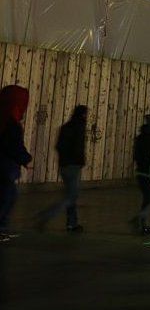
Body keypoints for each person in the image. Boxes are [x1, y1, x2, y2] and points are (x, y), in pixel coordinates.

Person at [37, 105, 88, 232]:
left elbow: (58, 146)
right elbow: (78, 147)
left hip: (64, 166)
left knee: (71, 195)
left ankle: (72, 223)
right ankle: (47, 215)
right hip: (73, 166)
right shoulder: (79, 127)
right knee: (71, 197)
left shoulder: (65, 127)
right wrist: (80, 161)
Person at [0, 85, 32, 242]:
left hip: (6, 167)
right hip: (5, 167)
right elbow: (13, 145)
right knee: (7, 198)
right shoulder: (11, 123)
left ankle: (3, 228)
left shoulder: (5, 119)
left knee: (8, 197)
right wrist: (25, 158)